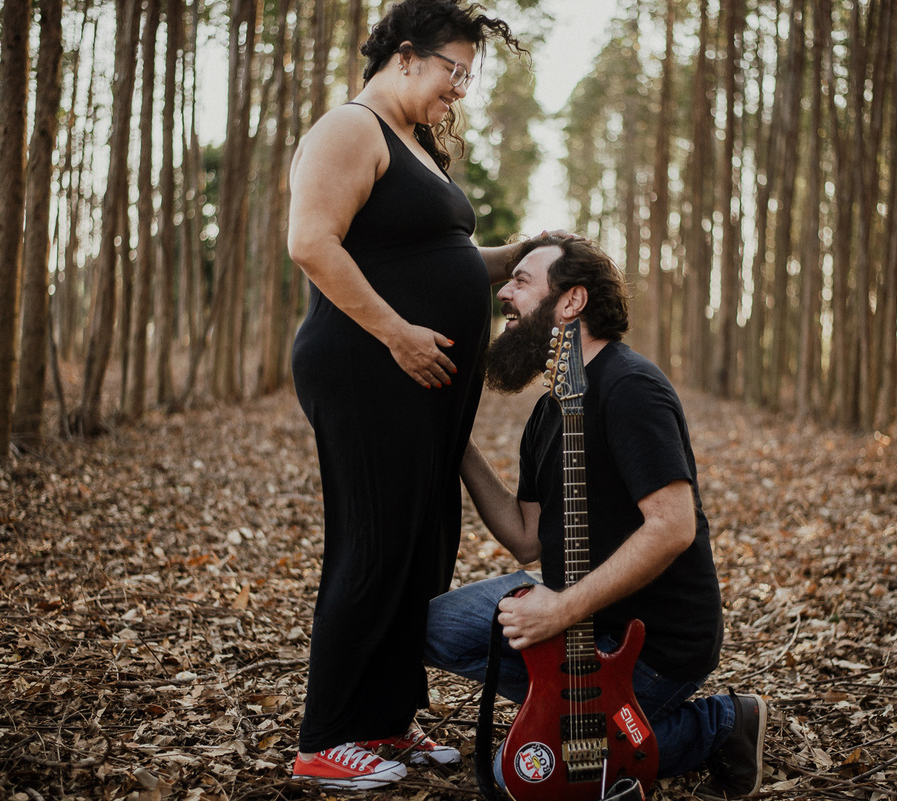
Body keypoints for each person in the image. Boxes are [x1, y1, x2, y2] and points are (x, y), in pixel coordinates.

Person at [424, 233, 769, 799]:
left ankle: (722, 724)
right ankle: (568, 708)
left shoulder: (630, 387)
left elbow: (673, 525)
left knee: (556, 769)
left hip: (654, 639)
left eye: (522, 281)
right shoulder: (547, 410)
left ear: (571, 301)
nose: (504, 292)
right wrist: (456, 442)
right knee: (432, 629)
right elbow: (525, 537)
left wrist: (560, 608)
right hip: (577, 614)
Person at [285, 0, 526, 789]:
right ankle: (327, 735)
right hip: (366, 367)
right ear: (408, 55)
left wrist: (519, 255)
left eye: (468, 76)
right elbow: (311, 240)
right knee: (375, 541)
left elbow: (444, 255)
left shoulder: (417, 145)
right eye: (454, 70)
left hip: (418, 377)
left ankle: (384, 725)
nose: (460, 89)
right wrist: (395, 331)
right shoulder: (349, 128)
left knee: (423, 544)